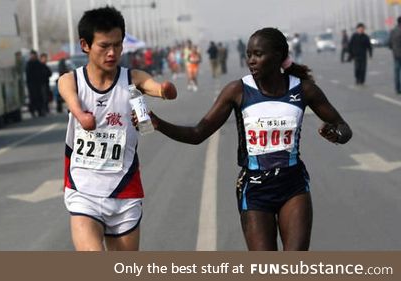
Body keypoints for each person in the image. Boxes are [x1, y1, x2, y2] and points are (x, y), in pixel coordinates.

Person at [134, 27, 352, 251]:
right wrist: (158, 123)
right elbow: (198, 134)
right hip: (255, 190)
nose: (251, 61)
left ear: (277, 55)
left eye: (258, 54)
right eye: (249, 54)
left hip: (293, 185)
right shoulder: (237, 90)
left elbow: (344, 129)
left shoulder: (304, 89)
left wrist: (335, 134)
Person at [57, 6, 177, 251]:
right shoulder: (73, 81)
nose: (112, 53)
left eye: (117, 45)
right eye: (104, 46)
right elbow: (67, 92)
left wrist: (165, 90)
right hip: (83, 190)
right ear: (85, 45)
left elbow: (156, 87)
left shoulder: (133, 79)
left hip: (124, 189)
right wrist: (81, 115)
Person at [25, 50, 46, 117]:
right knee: (32, 98)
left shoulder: (38, 63)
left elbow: (43, 73)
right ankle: (33, 111)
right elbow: (28, 74)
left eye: (34, 55)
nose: (33, 56)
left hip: (38, 84)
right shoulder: (29, 64)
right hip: (31, 84)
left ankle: (40, 111)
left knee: (40, 98)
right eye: (32, 55)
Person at [389, 16, 401, 95]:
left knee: (396, 72)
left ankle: (397, 88)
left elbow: (389, 43)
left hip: (396, 55)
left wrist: (394, 49)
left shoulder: (393, 31)